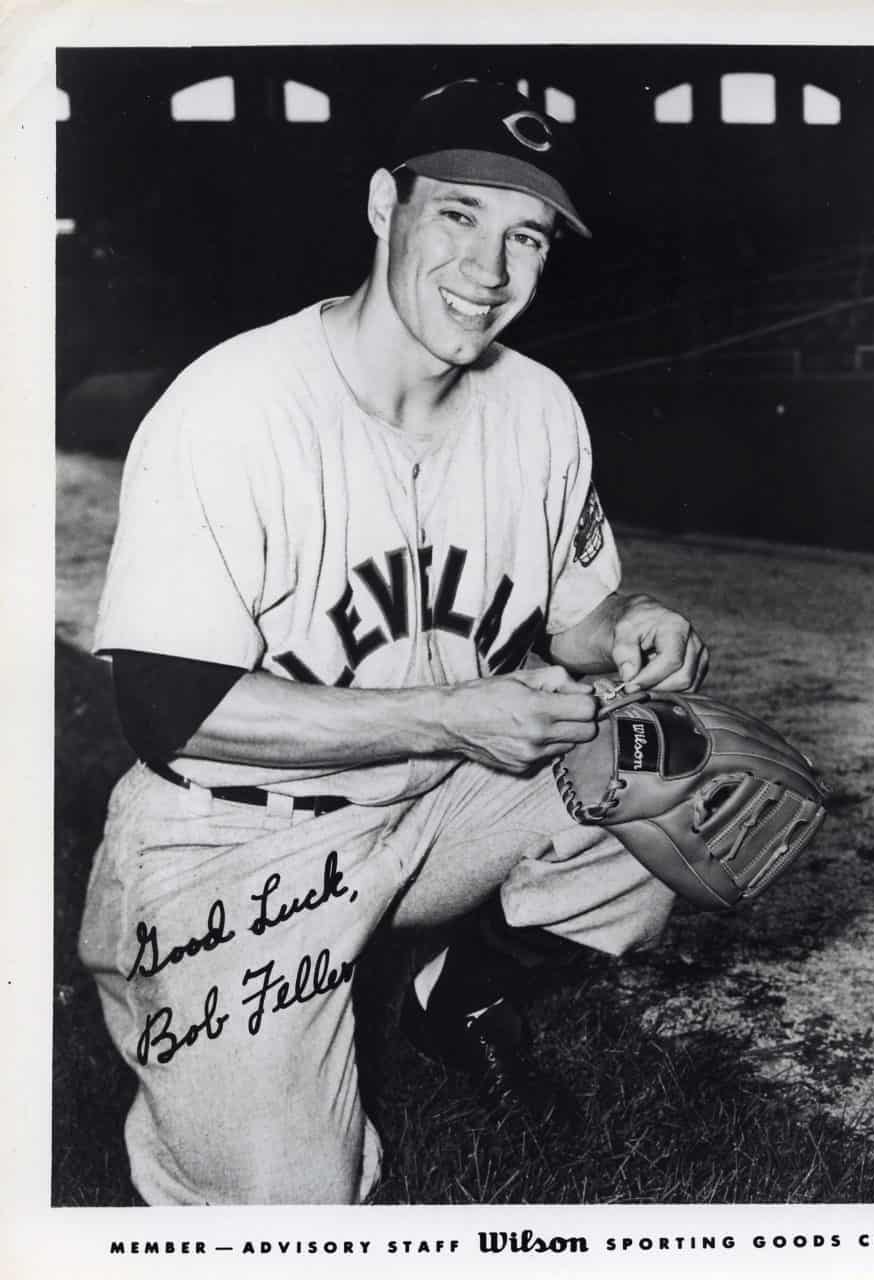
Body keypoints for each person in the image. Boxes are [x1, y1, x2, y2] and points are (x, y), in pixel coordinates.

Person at [78, 78, 709, 1206]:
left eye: (526, 237)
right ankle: (209, 1013)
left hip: (430, 810)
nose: (490, 270)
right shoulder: (236, 404)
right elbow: (165, 709)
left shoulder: (540, 408)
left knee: (677, 763)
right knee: (292, 1213)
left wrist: (635, 625)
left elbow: (577, 622)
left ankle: (450, 995)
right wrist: (459, 714)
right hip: (236, 846)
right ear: (385, 206)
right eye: (459, 215)